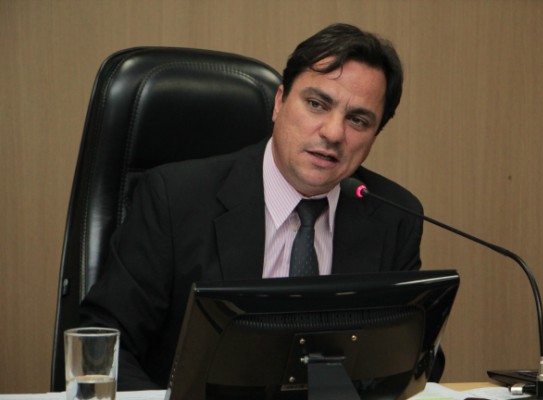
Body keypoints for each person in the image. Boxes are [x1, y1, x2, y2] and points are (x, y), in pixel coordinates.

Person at [80, 22, 425, 390]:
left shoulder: (393, 217)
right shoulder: (173, 198)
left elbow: (410, 360)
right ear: (279, 102)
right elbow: (102, 343)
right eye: (316, 104)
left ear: (375, 134)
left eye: (358, 120)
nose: (333, 132)